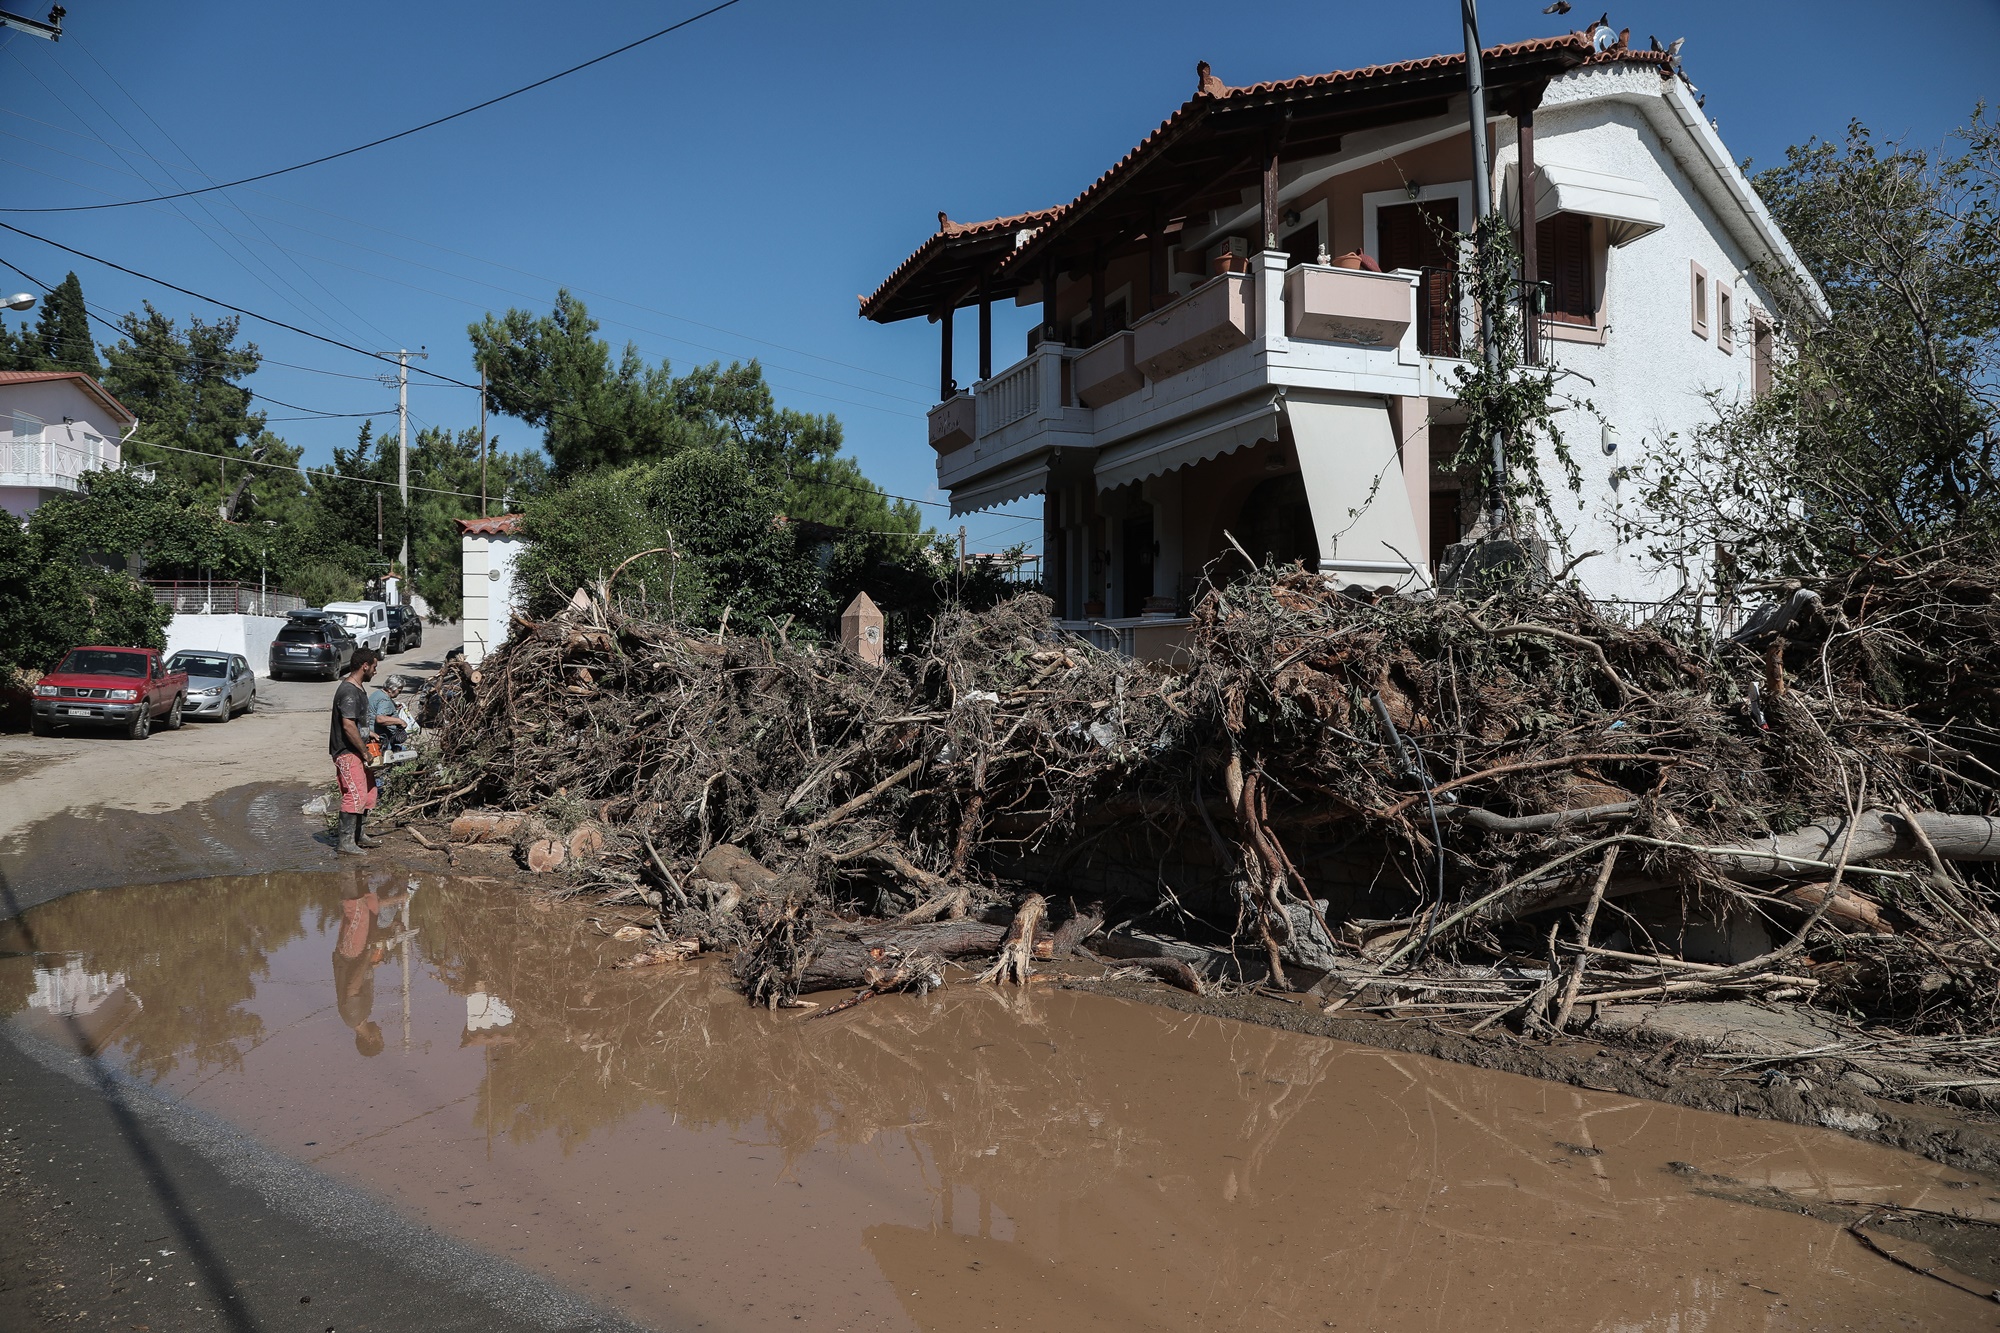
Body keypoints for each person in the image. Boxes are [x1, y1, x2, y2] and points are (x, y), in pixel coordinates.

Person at [331, 648, 382, 854]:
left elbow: (357, 724)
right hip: (348, 752)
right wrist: (365, 751)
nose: (375, 672)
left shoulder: (358, 688)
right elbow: (348, 726)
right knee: (355, 794)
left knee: (368, 794)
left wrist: (368, 733)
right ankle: (345, 843)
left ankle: (358, 835)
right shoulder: (349, 691)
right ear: (365, 666)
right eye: (374, 667)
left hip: (358, 750)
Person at [368, 681, 409, 754]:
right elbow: (380, 719)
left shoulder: (378, 693)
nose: (400, 693)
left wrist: (394, 706)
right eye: (399, 691)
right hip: (381, 737)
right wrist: (400, 721)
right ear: (390, 689)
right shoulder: (385, 700)